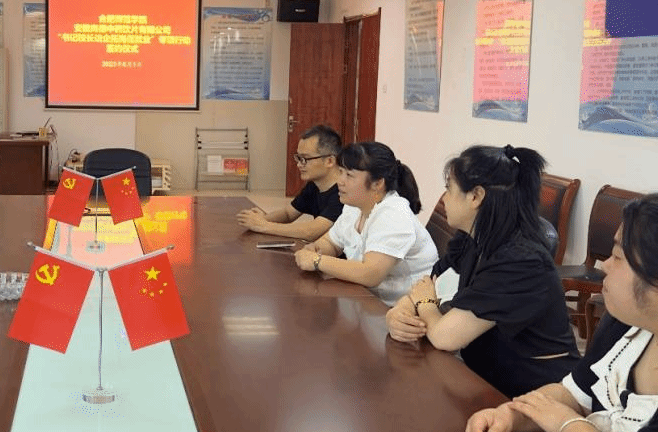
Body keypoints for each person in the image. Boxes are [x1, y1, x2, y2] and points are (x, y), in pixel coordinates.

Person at [465, 193, 658, 432]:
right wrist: (508, 416)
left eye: (618, 257)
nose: (605, 266)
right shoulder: (625, 326)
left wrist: (567, 423)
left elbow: (564, 415)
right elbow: (573, 395)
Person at [386, 144, 579, 399]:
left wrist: (424, 303)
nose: (444, 199)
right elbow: (428, 283)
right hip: (482, 375)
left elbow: (444, 337)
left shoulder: (521, 261)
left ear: (476, 196)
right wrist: (399, 312)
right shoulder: (473, 237)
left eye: (449, 189)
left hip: (531, 392)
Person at [293, 141, 437, 305]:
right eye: (340, 172)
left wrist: (317, 261)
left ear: (378, 183)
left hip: (403, 307)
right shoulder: (354, 207)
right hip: (365, 299)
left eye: (349, 175)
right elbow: (331, 242)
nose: (340, 181)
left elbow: (370, 274)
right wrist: (315, 249)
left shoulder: (393, 214)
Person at [237, 124, 345, 241]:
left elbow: (311, 231)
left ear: (329, 161)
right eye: (299, 158)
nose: (299, 164)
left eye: (305, 159)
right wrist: (262, 219)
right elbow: (288, 214)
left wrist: (263, 225)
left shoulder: (344, 191)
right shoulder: (314, 185)